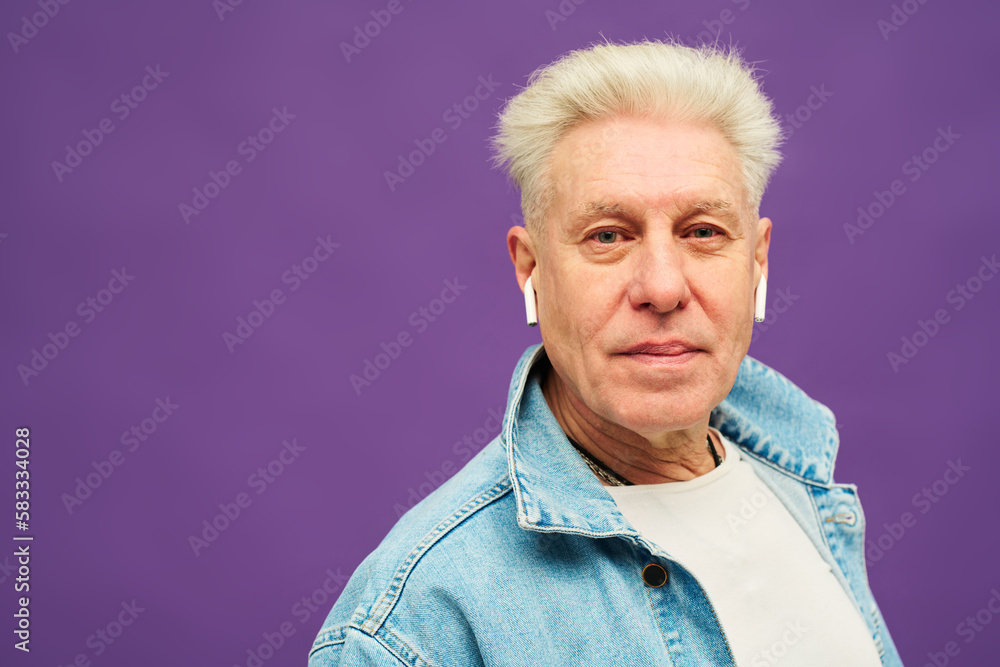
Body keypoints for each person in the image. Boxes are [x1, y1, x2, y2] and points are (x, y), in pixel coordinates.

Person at [308, 37, 903, 666]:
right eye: (608, 236)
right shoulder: (414, 622)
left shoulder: (800, 481)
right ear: (531, 268)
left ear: (757, 261)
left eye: (703, 231)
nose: (663, 288)